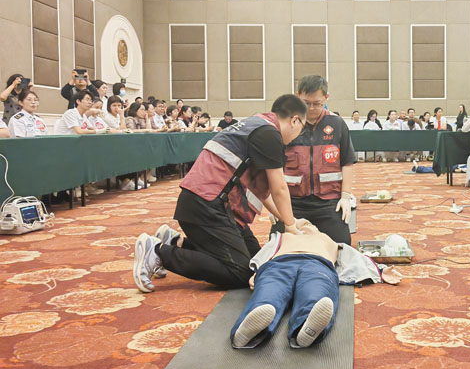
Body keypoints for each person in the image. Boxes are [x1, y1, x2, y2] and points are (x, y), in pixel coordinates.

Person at [132, 94, 310, 293]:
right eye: (302, 128)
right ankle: (158, 252)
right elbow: (279, 188)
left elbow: (264, 191)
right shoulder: (270, 134)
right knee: (240, 271)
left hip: (207, 203)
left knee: (255, 261)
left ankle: (176, 242)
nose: (298, 135)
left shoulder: (256, 124)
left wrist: (289, 220)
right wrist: (290, 227)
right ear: (295, 120)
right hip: (207, 206)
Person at [230, 225, 401, 349]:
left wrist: (381, 270)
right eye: (301, 223)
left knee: (316, 295)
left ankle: (306, 330)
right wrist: (257, 270)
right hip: (279, 265)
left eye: (309, 224)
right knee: (267, 295)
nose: (306, 225)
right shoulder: (283, 236)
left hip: (318, 265)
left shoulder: (329, 240)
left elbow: (354, 257)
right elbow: (266, 252)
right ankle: (244, 333)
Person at [282, 75, 356, 245]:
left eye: (317, 103)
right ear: (297, 96)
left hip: (328, 202)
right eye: (306, 103)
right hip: (292, 202)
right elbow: (275, 166)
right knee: (279, 245)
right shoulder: (287, 125)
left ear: (326, 98)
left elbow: (347, 162)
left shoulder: (337, 124)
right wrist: (275, 203)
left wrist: (345, 196)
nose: (311, 108)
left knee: (342, 244)